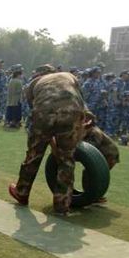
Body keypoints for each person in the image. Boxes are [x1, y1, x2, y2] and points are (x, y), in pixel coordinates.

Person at [9, 65, 86, 215]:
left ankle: (22, 193)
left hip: (45, 113)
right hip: (72, 112)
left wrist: (51, 143)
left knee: (34, 154)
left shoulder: (32, 84)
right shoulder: (69, 76)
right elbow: (81, 103)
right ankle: (61, 206)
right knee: (67, 160)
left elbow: (37, 113)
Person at [82, 111, 119, 203]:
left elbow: (92, 145)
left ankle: (95, 196)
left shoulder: (95, 131)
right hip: (104, 155)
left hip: (109, 155)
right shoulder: (88, 130)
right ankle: (92, 195)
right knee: (89, 173)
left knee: (94, 174)